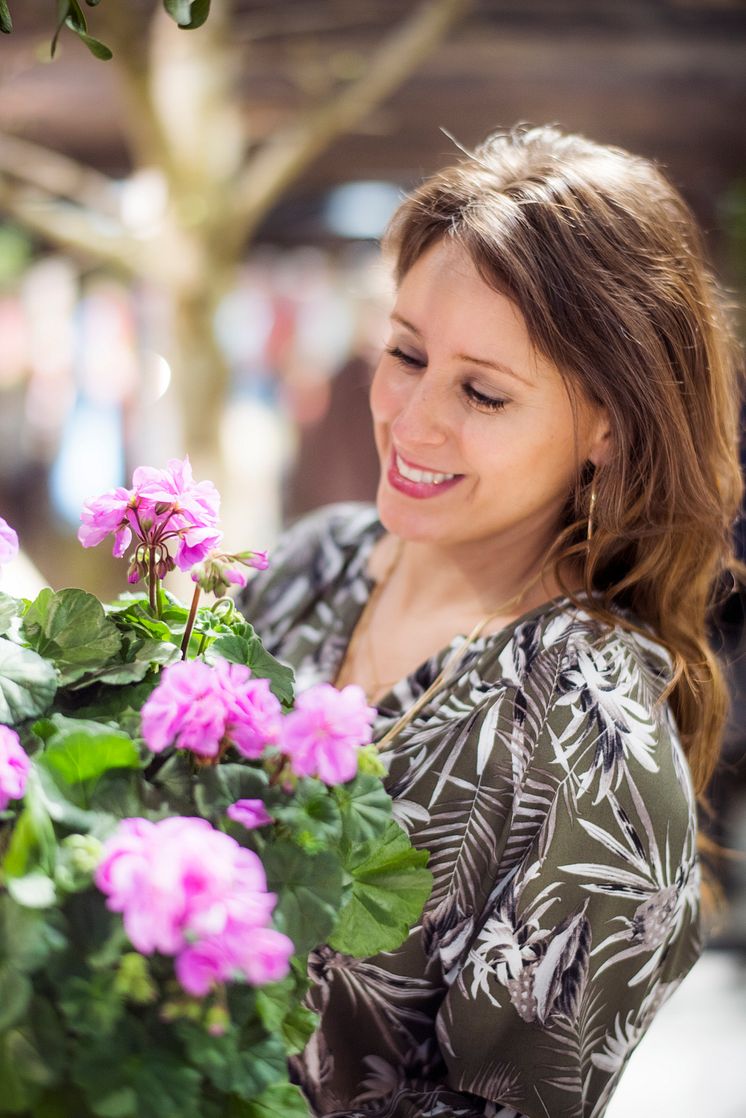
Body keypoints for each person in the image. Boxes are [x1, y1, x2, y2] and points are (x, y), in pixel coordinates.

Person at [237, 124, 743, 1118]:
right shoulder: (311, 562)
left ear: (608, 422)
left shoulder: (592, 743)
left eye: (480, 390)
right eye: (404, 352)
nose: (412, 419)